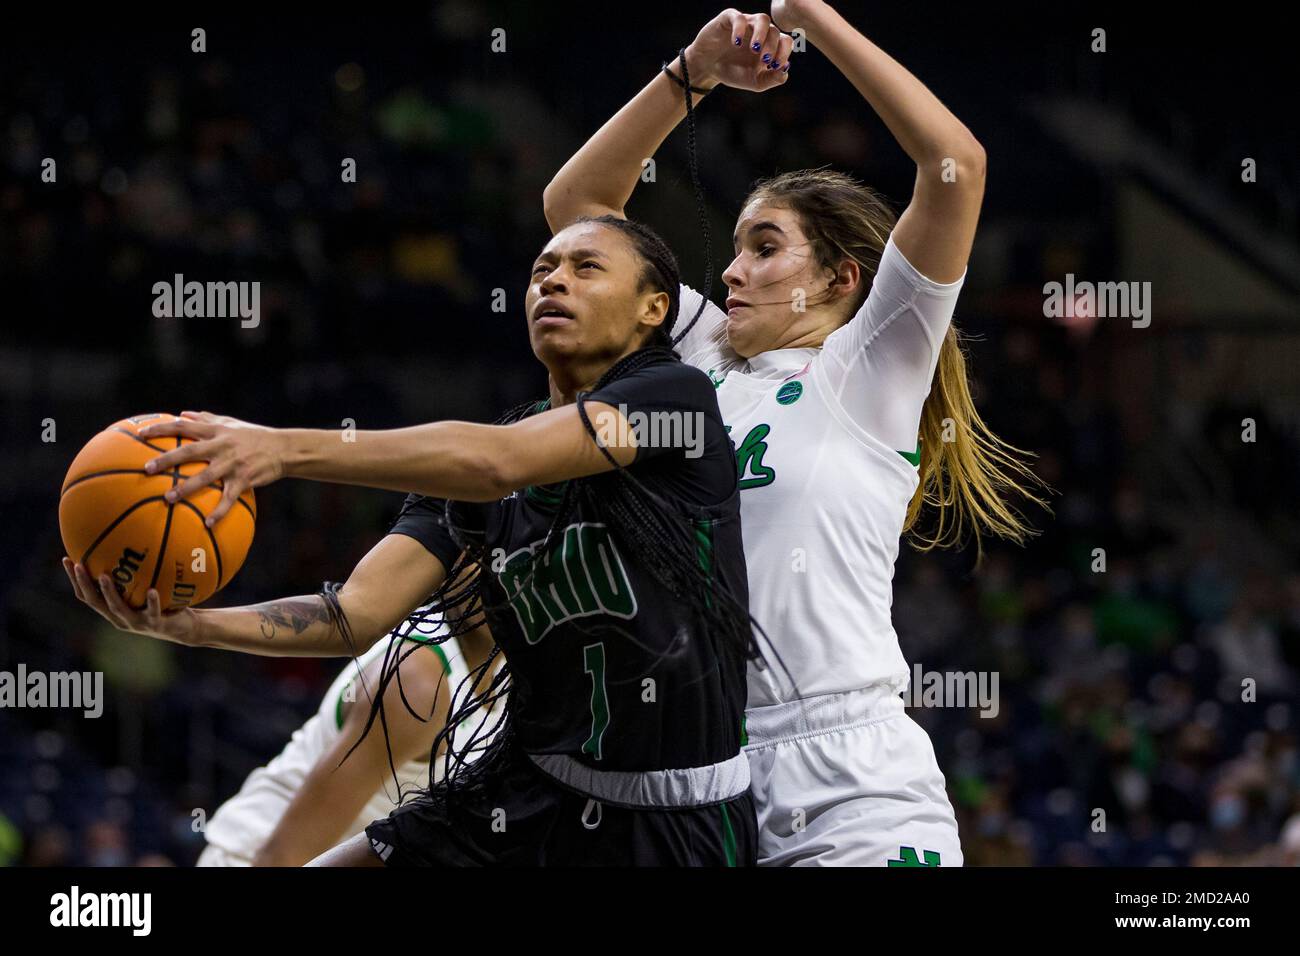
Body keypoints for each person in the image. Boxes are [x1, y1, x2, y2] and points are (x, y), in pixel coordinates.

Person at [66, 215, 760, 866]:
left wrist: (281, 448)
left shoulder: (678, 401)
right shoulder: (472, 465)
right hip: (529, 783)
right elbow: (352, 615)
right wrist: (191, 626)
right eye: (543, 268)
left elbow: (500, 462)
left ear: (654, 309)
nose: (552, 281)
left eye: (586, 268)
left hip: (675, 809)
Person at [543, 2, 1046, 865]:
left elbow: (956, 163)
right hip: (706, 774)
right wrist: (691, 72)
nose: (732, 270)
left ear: (841, 280)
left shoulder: (868, 368)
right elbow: (579, 207)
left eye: (765, 248)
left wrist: (810, 14)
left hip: (851, 779)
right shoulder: (698, 355)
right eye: (735, 247)